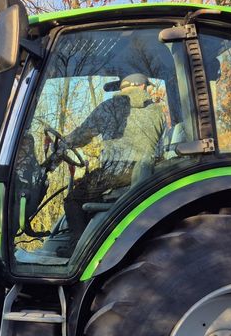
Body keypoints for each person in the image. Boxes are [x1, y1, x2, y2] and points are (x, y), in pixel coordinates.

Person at [59, 73, 167, 239]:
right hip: (146, 174)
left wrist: (61, 143)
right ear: (142, 86)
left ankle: (80, 245)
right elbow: (161, 148)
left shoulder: (109, 107)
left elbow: (81, 136)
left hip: (115, 173)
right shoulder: (158, 111)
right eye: (147, 86)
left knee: (73, 201)